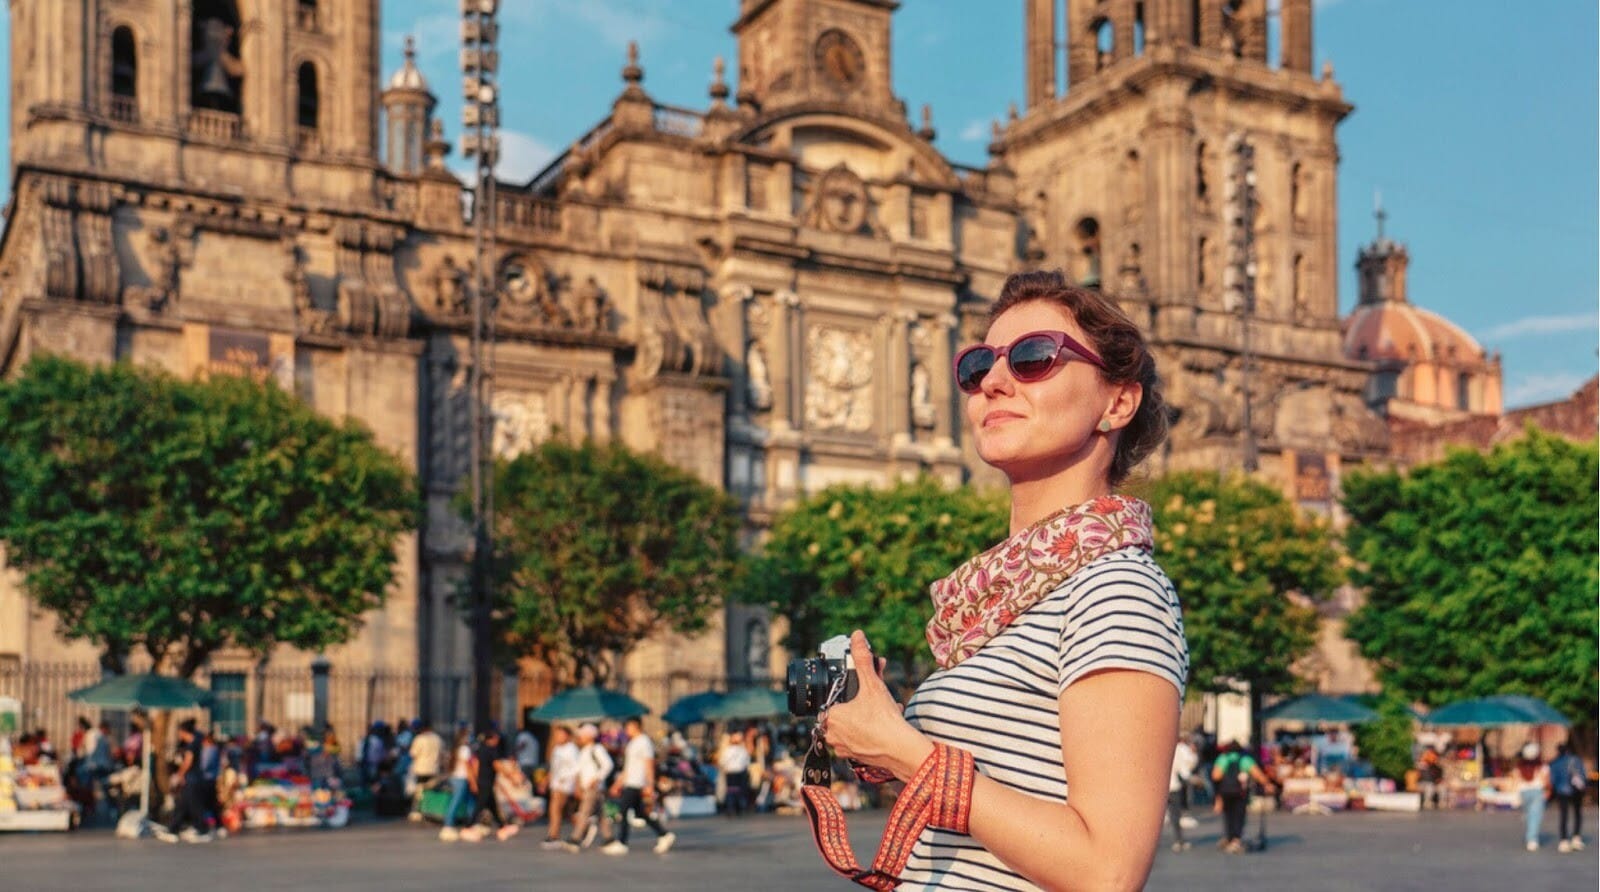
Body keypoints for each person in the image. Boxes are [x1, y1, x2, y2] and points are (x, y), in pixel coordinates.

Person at [819, 270, 1188, 889]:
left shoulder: (1117, 590)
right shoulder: (1002, 602)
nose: (993, 381)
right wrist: (882, 737)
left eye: (1034, 358)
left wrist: (905, 751)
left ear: (1117, 402)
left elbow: (1107, 871)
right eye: (977, 366)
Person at [599, 717, 675, 855]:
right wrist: (618, 784)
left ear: (636, 726)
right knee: (640, 812)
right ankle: (664, 834)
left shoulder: (644, 742)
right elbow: (628, 767)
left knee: (623, 810)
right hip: (630, 781)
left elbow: (649, 763)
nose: (626, 730)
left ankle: (622, 842)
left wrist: (650, 784)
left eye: (628, 727)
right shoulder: (633, 743)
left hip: (637, 782)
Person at [154, 719, 212, 843]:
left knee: (192, 805)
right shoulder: (196, 741)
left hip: (191, 778)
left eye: (180, 732)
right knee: (183, 804)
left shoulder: (192, 745)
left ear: (184, 732)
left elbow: (188, 761)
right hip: (194, 778)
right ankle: (175, 828)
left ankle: (200, 829)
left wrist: (179, 775)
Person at [1212, 740, 1275, 854]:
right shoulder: (1245, 759)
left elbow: (1216, 775)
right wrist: (1267, 784)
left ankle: (1229, 837)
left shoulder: (1223, 758)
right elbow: (1257, 774)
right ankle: (1236, 839)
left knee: (1228, 814)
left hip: (1225, 791)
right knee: (1239, 815)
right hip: (1240, 792)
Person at [563, 723, 613, 852]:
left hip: (594, 787)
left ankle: (576, 838)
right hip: (587, 787)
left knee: (584, 812)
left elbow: (608, 765)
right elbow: (578, 769)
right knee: (601, 813)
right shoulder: (584, 751)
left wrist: (597, 778)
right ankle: (609, 838)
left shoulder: (596, 749)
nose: (580, 738)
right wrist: (565, 777)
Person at [462, 728, 519, 842]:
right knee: (480, 805)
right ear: (493, 738)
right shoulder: (492, 750)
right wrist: (511, 777)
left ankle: (503, 827)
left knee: (492, 806)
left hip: (483, 780)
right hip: (486, 781)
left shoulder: (480, 749)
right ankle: (468, 827)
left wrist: (475, 779)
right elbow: (497, 765)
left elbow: (474, 764)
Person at [543, 725, 580, 850]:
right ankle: (581, 827)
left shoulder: (572, 749)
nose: (558, 737)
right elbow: (553, 768)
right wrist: (545, 781)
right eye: (556, 735)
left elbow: (576, 769)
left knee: (555, 807)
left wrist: (576, 785)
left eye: (561, 734)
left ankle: (554, 834)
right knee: (563, 810)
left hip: (566, 783)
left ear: (568, 735)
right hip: (555, 782)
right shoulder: (556, 749)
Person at [1511, 742, 1551, 852]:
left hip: (1523, 792)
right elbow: (1546, 780)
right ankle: (1532, 839)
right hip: (1537, 791)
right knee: (1535, 816)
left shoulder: (1519, 766)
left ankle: (1530, 836)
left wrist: (1516, 795)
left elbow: (1515, 779)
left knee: (1529, 815)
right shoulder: (1542, 766)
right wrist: (1547, 791)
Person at [1549, 742, 1587, 853]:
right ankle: (1576, 837)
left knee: (1564, 815)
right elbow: (1583, 774)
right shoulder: (1576, 760)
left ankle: (1564, 840)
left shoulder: (1555, 762)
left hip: (1562, 791)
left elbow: (1553, 779)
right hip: (1576, 790)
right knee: (1577, 814)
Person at [439, 727, 474, 842]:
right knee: (456, 801)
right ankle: (448, 825)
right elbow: (467, 766)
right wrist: (472, 779)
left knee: (470, 801)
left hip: (455, 776)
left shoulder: (456, 749)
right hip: (462, 777)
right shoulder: (465, 749)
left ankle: (470, 823)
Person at [1168, 735, 1199, 851]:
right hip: (1174, 785)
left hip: (1160, 786)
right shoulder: (1181, 749)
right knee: (1175, 813)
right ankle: (1178, 840)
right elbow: (1187, 765)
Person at [408, 719, 443, 815]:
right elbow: (441, 755)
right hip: (434, 768)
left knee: (419, 791)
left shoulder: (419, 739)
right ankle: (429, 810)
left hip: (421, 769)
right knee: (430, 790)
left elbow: (413, 754)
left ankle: (418, 810)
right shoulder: (438, 739)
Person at [718, 727, 752, 817]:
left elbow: (722, 762)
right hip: (740, 772)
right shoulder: (743, 750)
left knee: (730, 791)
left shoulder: (727, 751)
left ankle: (730, 808)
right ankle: (739, 808)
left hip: (730, 772)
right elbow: (747, 762)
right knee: (739, 791)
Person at [515, 721, 542, 786]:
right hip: (533, 763)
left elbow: (521, 745)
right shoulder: (533, 738)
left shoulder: (523, 735)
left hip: (525, 763)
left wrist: (514, 752)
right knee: (529, 782)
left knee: (523, 782)